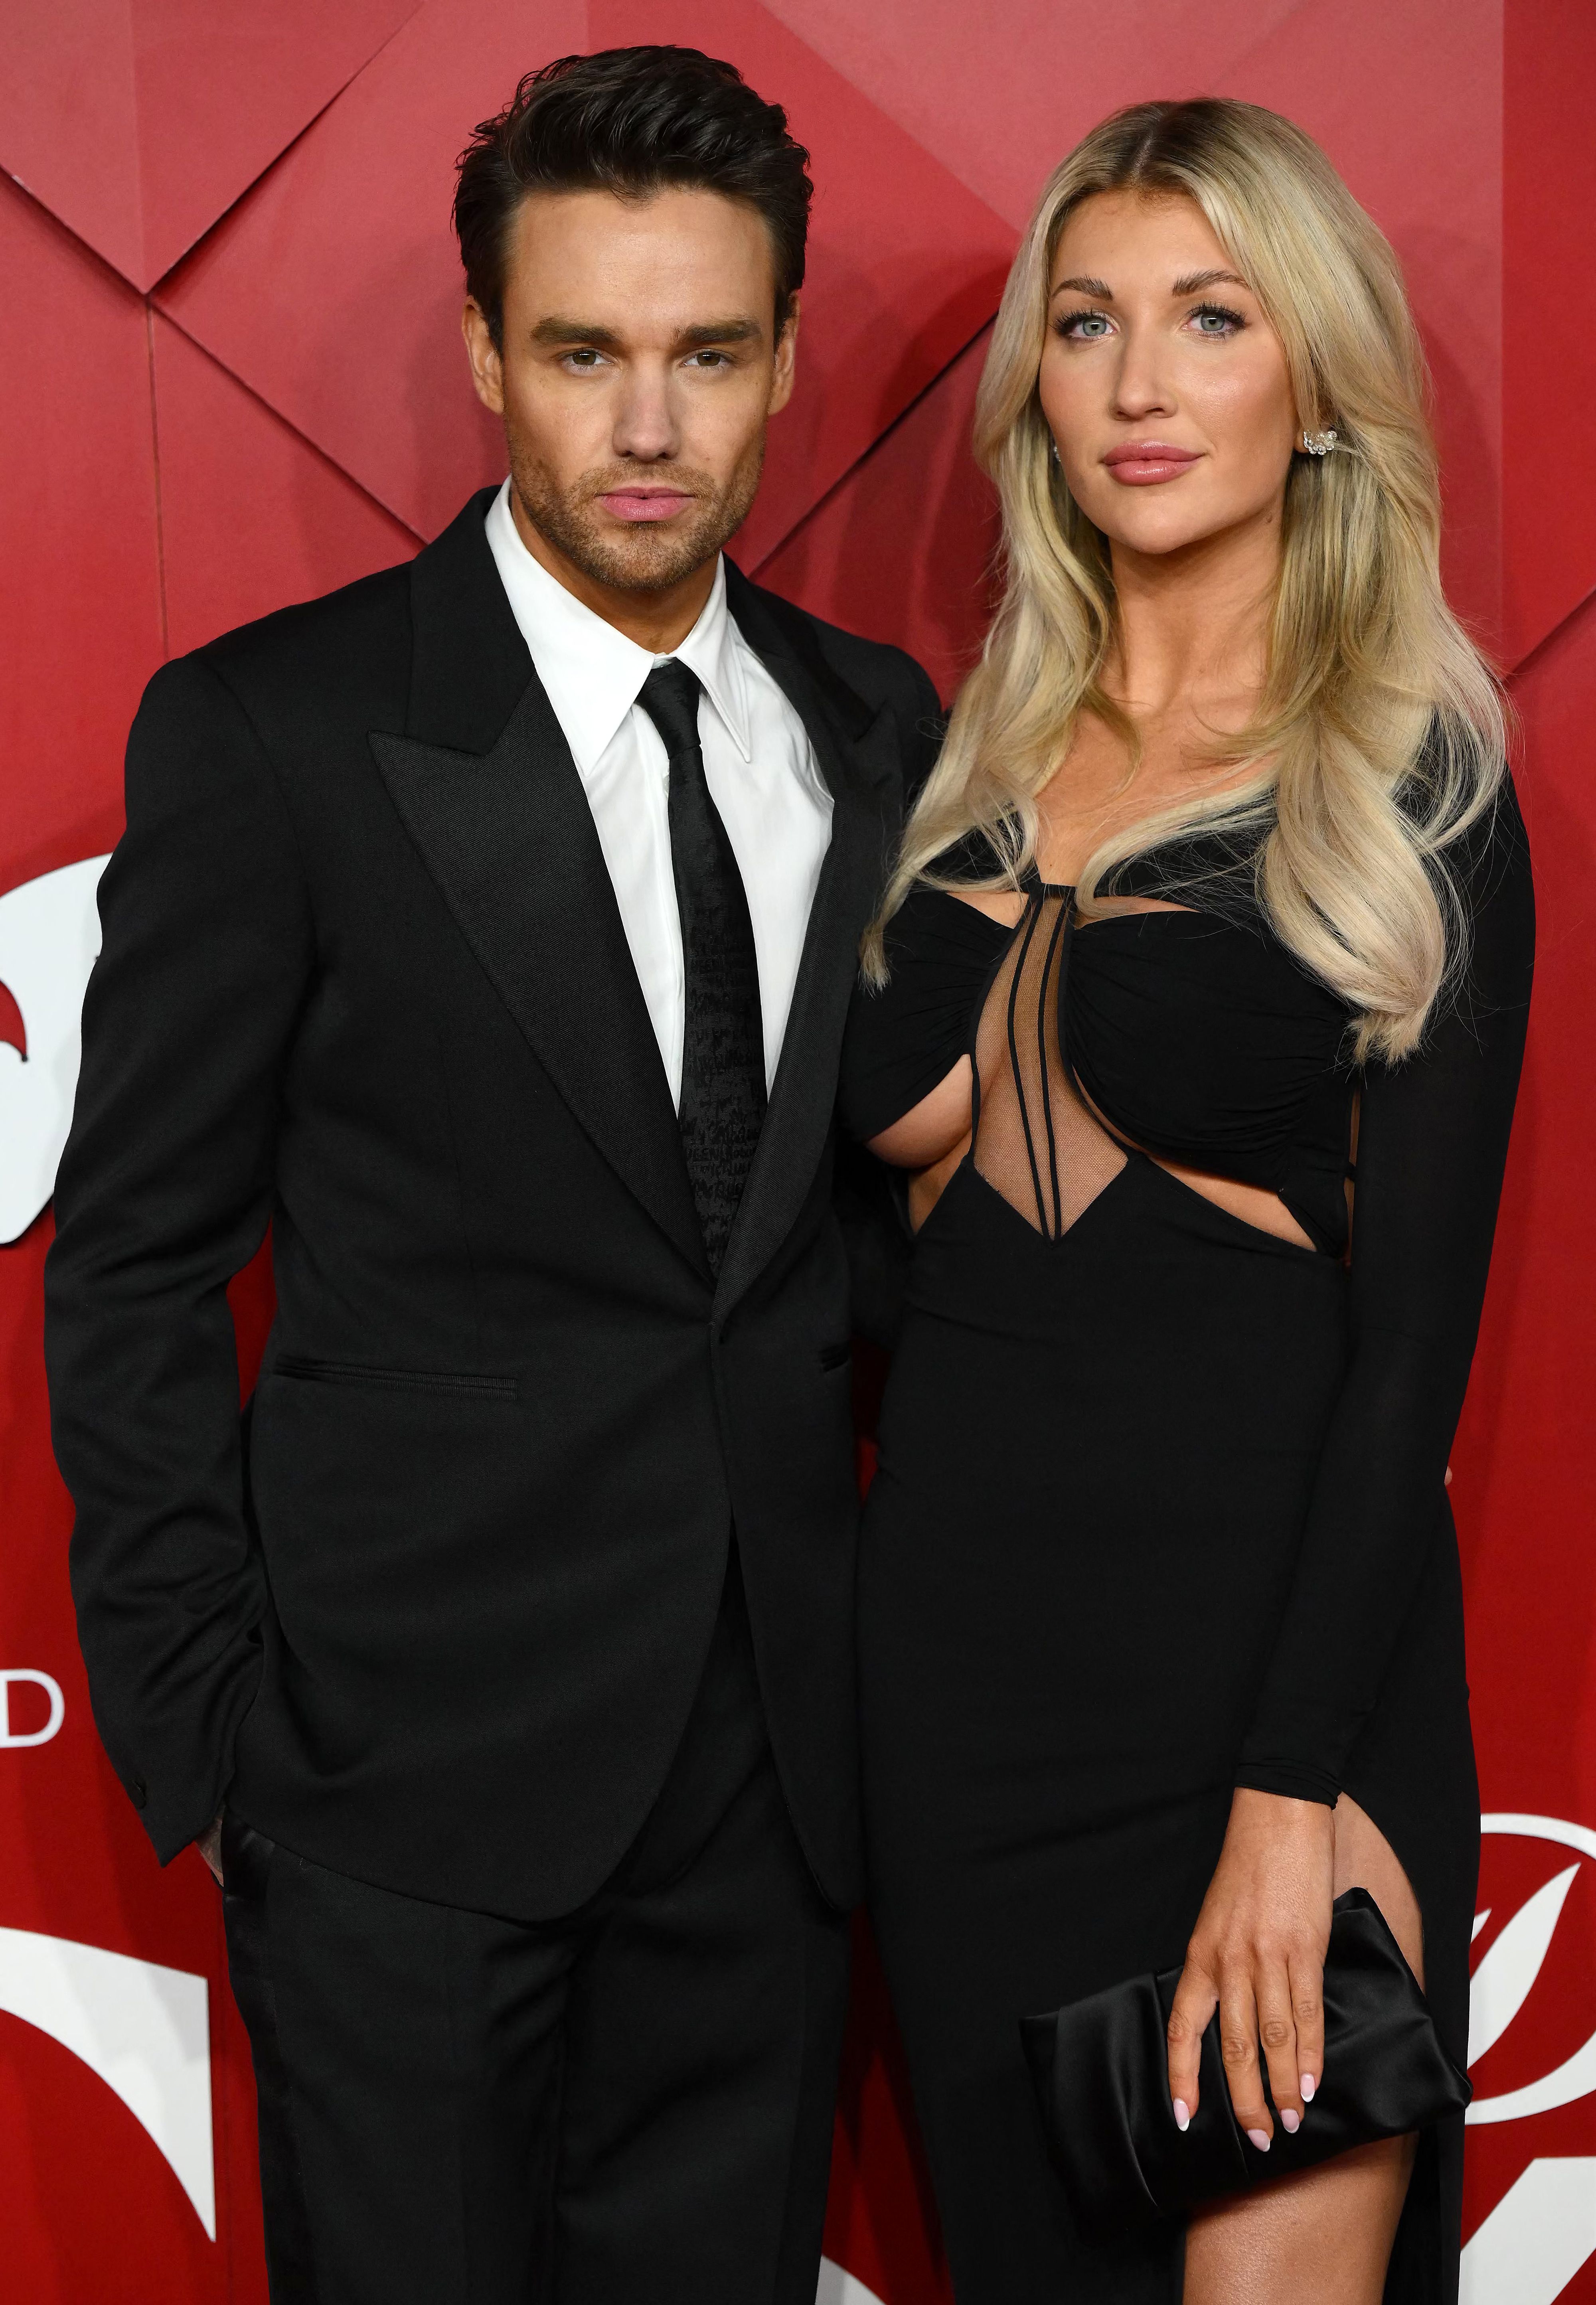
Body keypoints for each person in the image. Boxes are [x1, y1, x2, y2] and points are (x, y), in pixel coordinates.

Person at [44, 46, 939, 2304]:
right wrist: (227, 1742)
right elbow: (134, 1263)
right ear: (483, 357)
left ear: (787, 358)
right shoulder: (276, 734)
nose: (648, 428)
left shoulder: (882, 728)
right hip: (397, 1800)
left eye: (707, 354)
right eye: (583, 353)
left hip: (767, 1805)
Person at [840, 97, 1532, 2305]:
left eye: (1210, 318)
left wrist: (1288, 1789)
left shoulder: (1412, 776)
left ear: (1313, 379)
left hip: (1268, 1714)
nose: (1140, 382)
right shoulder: (946, 776)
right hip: (958, 1714)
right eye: (1088, 322)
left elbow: (1411, 1339)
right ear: (1034, 387)